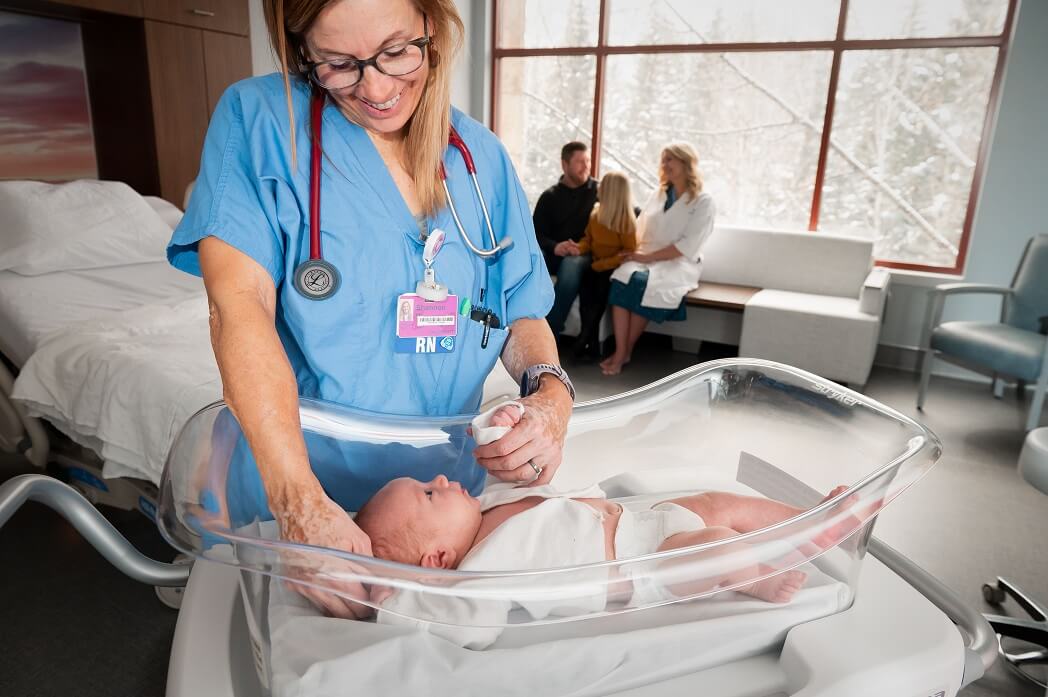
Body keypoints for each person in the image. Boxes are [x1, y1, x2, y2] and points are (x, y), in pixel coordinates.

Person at [166, 0, 574, 618]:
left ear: (432, 29)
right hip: (298, 497)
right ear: (301, 51)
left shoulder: (479, 157)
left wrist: (551, 396)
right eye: (339, 64)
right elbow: (238, 308)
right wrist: (298, 502)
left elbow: (521, 311)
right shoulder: (261, 124)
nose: (377, 89)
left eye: (394, 52)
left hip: (437, 501)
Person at [600, 143, 716, 376]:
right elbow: (641, 228)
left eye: (670, 159)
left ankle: (623, 353)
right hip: (646, 256)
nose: (664, 165)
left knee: (644, 285)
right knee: (620, 279)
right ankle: (622, 350)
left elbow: (687, 246)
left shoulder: (703, 202)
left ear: (686, 163)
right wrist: (631, 253)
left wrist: (647, 257)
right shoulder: (660, 193)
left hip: (678, 262)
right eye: (663, 160)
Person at [567, 171, 636, 360]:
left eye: (602, 185)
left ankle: (585, 339)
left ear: (611, 192)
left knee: (598, 294)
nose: (598, 187)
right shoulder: (596, 213)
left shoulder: (626, 222)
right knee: (586, 292)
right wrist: (578, 248)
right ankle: (590, 342)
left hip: (613, 269)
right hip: (596, 266)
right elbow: (588, 240)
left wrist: (603, 265)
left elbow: (627, 254)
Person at [532, 141, 599, 336]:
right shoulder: (549, 196)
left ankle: (551, 330)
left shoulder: (599, 191)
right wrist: (555, 246)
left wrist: (581, 247)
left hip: (584, 254)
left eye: (587, 161)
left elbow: (624, 210)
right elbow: (536, 233)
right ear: (565, 164)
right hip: (554, 252)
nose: (586, 166)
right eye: (580, 161)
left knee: (571, 265)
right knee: (533, 260)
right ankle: (526, 321)